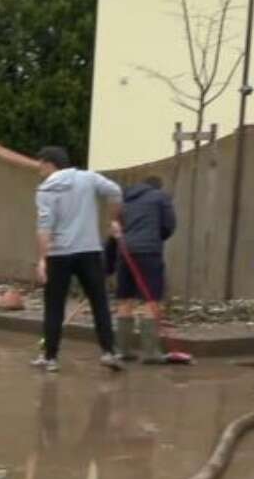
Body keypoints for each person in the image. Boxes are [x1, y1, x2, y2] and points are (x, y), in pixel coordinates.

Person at [32, 146, 125, 373]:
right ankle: (108, 352)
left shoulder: (45, 189)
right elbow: (115, 191)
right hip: (89, 250)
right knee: (99, 302)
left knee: (54, 306)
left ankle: (50, 358)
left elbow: (44, 227)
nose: (38, 169)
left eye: (40, 164)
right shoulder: (88, 178)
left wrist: (43, 259)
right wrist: (114, 220)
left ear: (49, 163)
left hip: (59, 254)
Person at [110, 176, 175, 362]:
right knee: (151, 299)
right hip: (149, 252)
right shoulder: (160, 197)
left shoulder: (125, 198)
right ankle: (150, 353)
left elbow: (116, 227)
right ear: (157, 186)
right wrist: (156, 237)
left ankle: (122, 350)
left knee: (125, 299)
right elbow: (169, 225)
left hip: (125, 251)